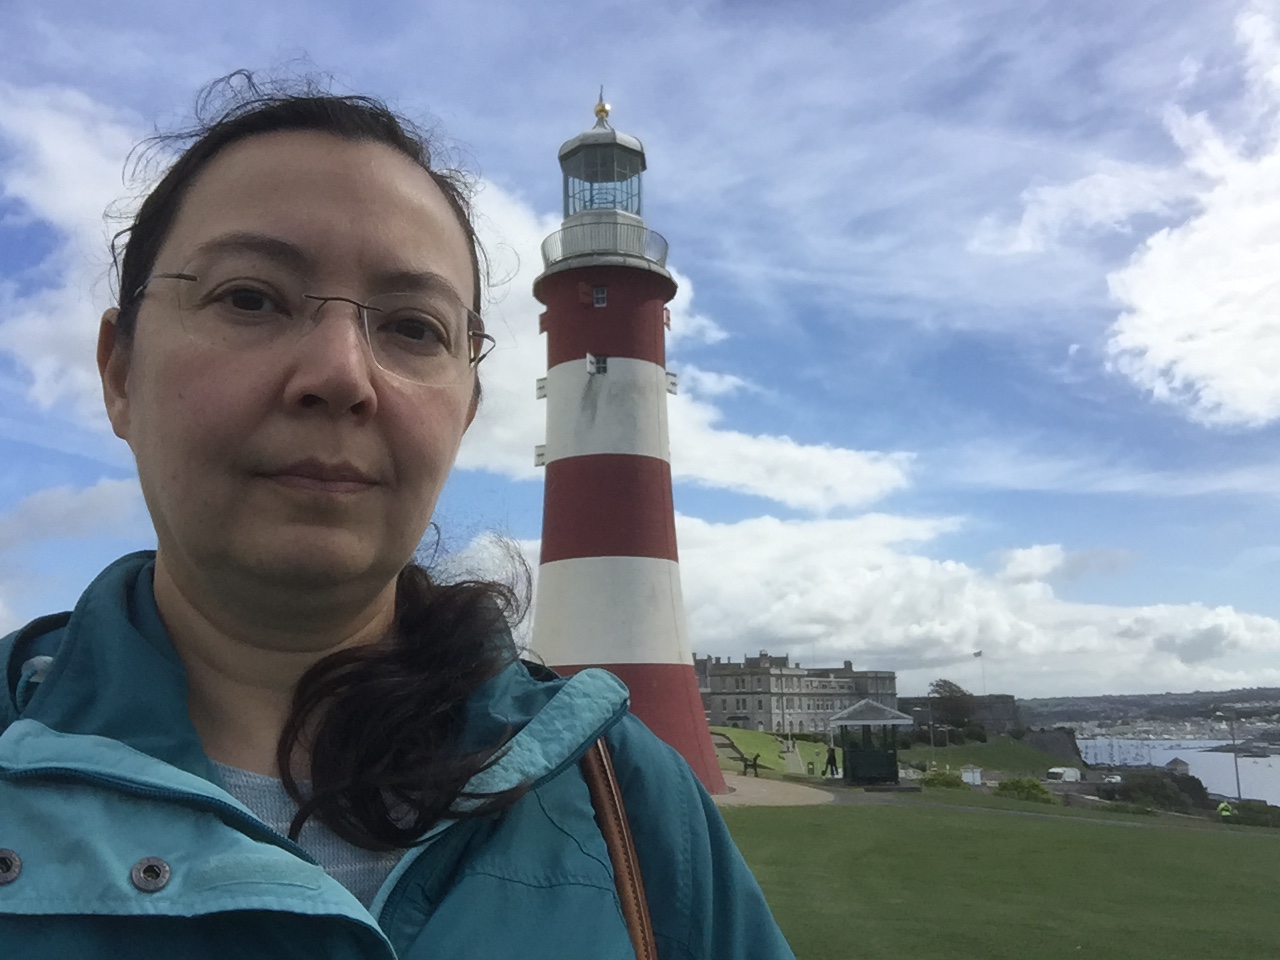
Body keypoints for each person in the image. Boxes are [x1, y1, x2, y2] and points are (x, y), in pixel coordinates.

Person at [0, 74, 795, 960]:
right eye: (250, 297)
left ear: (467, 408)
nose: (341, 375)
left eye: (414, 327)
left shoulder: (632, 802)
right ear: (118, 372)